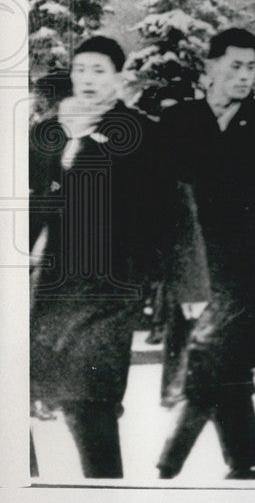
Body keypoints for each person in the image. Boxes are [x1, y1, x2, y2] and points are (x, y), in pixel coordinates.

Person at [156, 28, 255, 480]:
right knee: (225, 366)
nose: (244, 76)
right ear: (210, 67)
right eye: (235, 66)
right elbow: (162, 196)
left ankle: (168, 464)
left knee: (213, 358)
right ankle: (249, 463)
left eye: (252, 67)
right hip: (191, 264)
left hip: (244, 263)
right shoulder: (180, 121)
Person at [29, 36, 162, 478]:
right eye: (81, 68)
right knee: (25, 397)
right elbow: (31, 205)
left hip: (110, 288)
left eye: (99, 70)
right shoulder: (48, 132)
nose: (87, 78)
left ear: (120, 77)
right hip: (56, 288)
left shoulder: (139, 132)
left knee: (90, 406)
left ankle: (105, 498)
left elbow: (168, 209)